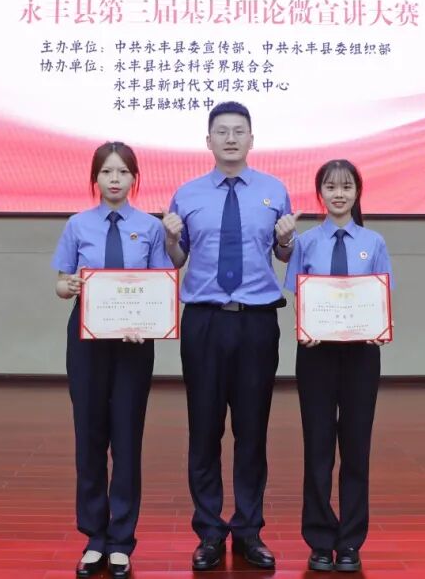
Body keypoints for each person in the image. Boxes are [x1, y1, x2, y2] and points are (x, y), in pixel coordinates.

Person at [161, 102, 299, 571]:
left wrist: (286, 239)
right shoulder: (187, 194)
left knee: (252, 430)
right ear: (208, 141)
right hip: (204, 321)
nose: (231, 138)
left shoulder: (274, 191)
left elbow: (283, 255)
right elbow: (177, 260)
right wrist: (171, 238)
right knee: (204, 429)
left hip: (257, 322)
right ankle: (208, 532)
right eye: (222, 131)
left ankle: (248, 530)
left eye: (239, 131)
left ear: (252, 139)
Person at [53, 141, 172, 578]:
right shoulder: (78, 224)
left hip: (133, 343)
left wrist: (148, 319)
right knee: (89, 435)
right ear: (95, 178)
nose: (115, 179)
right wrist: (67, 287)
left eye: (123, 172)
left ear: (135, 178)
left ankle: (121, 539)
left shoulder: (151, 227)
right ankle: (94, 538)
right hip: (87, 339)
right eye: (107, 172)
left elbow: (160, 283)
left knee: (126, 437)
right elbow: (61, 283)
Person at [284, 159, 393, 573]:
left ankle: (350, 541)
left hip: (362, 354)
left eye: (346, 186)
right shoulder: (306, 243)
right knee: (317, 448)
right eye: (331, 187)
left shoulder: (374, 242)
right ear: (320, 194)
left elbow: (381, 296)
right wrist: (306, 327)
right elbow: (300, 295)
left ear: (357, 192)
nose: (339, 194)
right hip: (316, 353)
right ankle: (319, 539)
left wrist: (379, 326)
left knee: (356, 448)